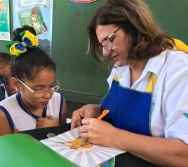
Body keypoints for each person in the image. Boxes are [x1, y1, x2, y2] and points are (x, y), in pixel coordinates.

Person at [71, 0, 188, 166]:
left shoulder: (179, 71)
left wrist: (115, 137)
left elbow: (184, 154)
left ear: (134, 25)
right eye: (102, 45)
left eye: (109, 40)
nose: (105, 52)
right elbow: (122, 112)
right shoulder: (121, 68)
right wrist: (95, 110)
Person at [0, 25, 67, 135]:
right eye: (39, 89)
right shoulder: (4, 113)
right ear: (16, 84)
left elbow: (66, 141)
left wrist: (56, 128)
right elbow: (5, 151)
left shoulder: (58, 101)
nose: (47, 95)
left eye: (51, 86)